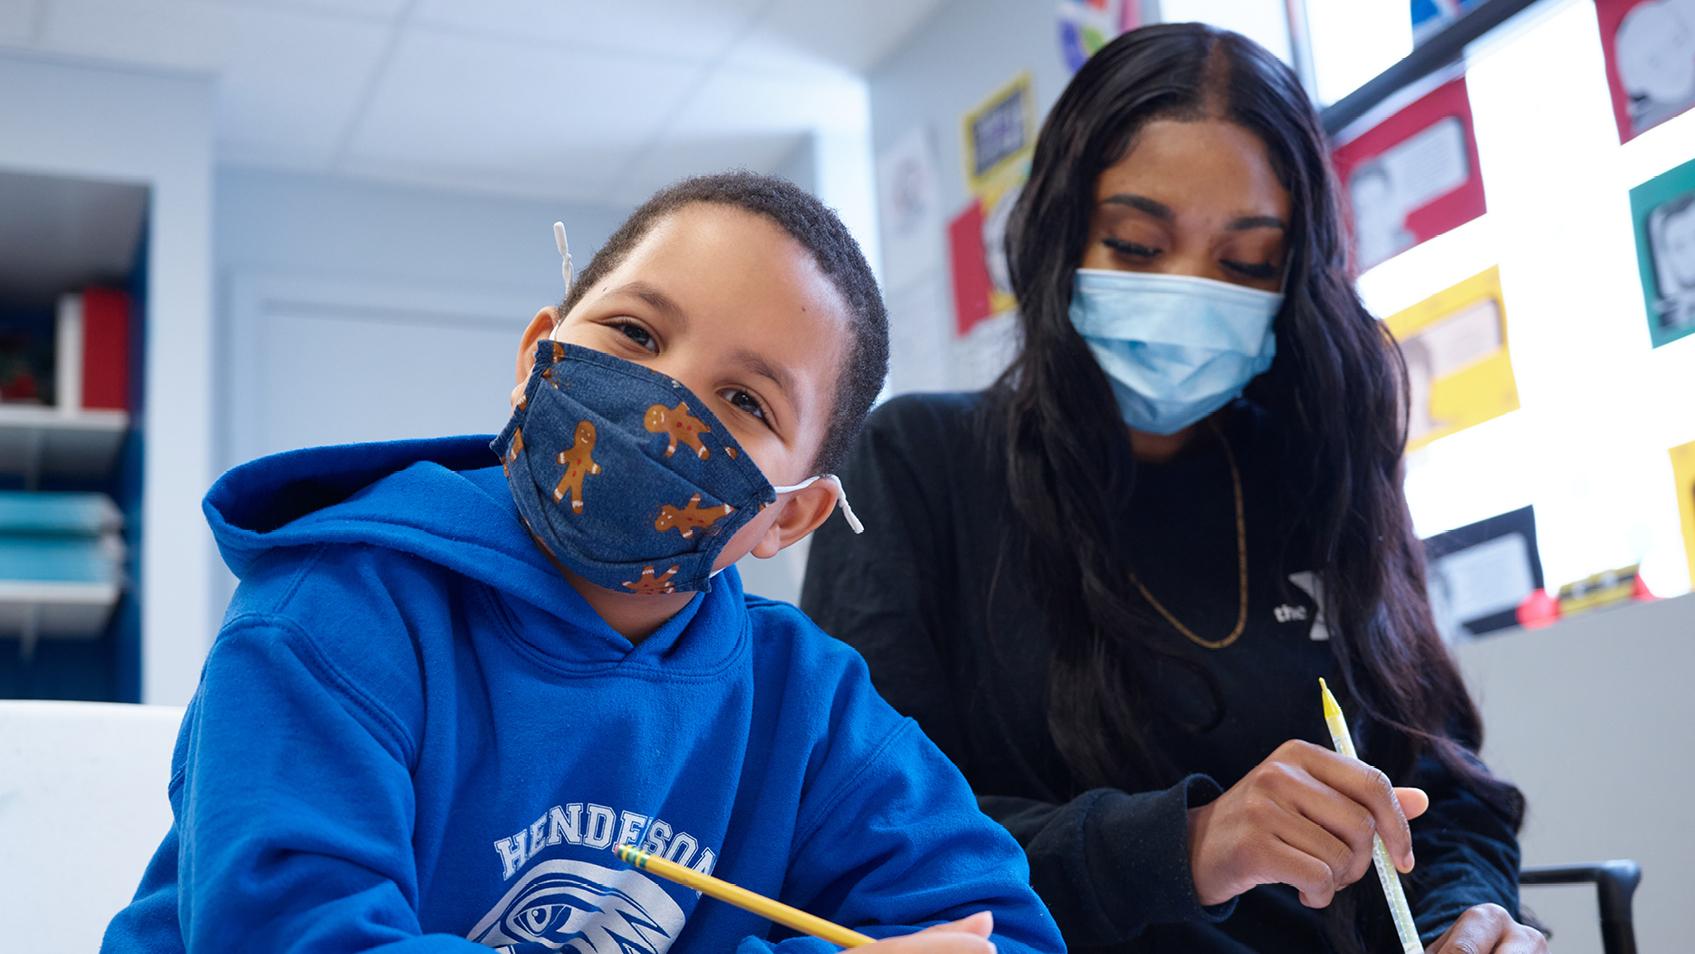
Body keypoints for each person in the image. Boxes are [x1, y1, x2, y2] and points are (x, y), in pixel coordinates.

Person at [101, 173, 1064, 954]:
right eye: (636, 334)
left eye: (745, 400)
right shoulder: (334, 613)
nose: (660, 401)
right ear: (536, 357)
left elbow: (996, 931)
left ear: (792, 518)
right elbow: (292, 937)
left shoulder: (807, 705)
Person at [802, 24, 1544, 954]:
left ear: (1294, 278)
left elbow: (1440, 797)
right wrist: (1184, 846)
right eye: (1138, 244)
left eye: (1243, 264)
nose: (1190, 292)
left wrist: (1463, 918)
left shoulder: (1317, 477)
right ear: (1058, 237)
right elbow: (870, 837)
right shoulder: (916, 465)